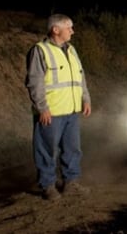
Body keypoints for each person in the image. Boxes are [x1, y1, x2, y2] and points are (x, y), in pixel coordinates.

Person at [25, 14, 92, 200]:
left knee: (72, 149)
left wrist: (85, 99)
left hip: (71, 110)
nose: (72, 31)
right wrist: (42, 108)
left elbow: (80, 77)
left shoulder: (71, 50)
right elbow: (35, 82)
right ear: (56, 30)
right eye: (69, 28)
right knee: (47, 150)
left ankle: (71, 183)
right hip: (51, 112)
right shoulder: (40, 50)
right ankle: (47, 186)